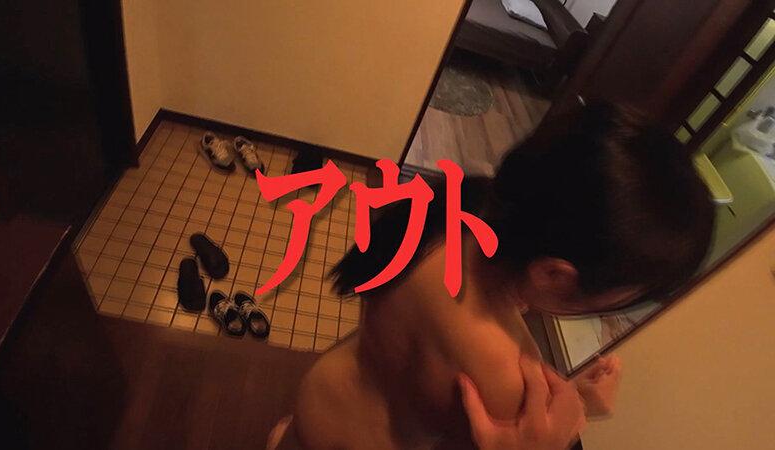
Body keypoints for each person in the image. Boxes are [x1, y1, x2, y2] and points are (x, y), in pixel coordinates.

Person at [291, 102, 715, 449]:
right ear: (553, 275)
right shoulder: (508, 379)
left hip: (319, 398)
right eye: (624, 296)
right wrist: (579, 413)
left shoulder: (451, 211)